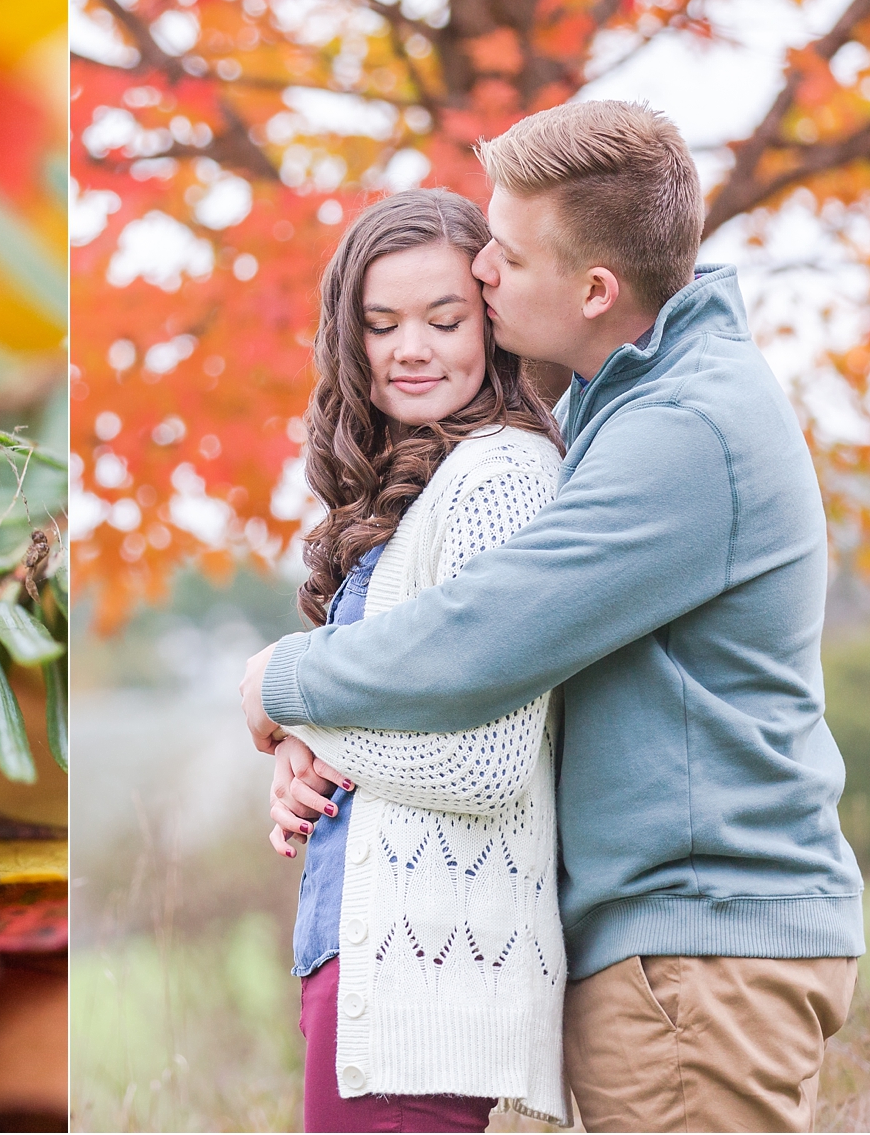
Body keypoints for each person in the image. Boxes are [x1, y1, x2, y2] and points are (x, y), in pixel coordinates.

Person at [243, 100, 863, 1134]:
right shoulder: (615, 404)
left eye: (503, 256)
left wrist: (284, 686)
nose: (479, 272)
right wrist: (318, 732)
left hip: (698, 944)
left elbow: (485, 636)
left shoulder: (682, 429)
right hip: (669, 945)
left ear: (593, 289)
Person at [264, 186, 571, 1131]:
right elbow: (397, 702)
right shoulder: (413, 493)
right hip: (369, 961)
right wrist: (298, 760)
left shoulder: (500, 475)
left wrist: (291, 705)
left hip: (424, 969)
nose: (413, 347)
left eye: (445, 319)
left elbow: (485, 762)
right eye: (382, 322)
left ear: (492, 323)